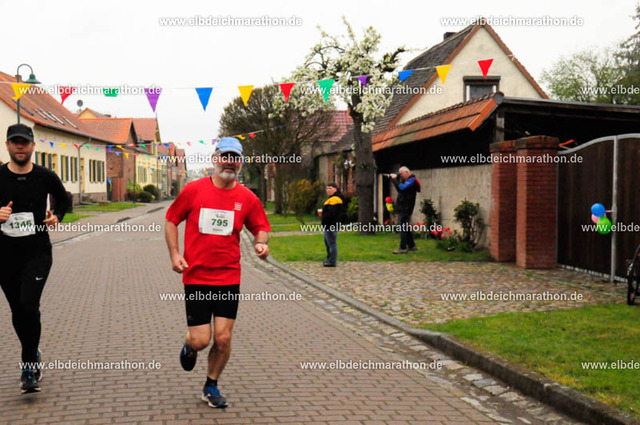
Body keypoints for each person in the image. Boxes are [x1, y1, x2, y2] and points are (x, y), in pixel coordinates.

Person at [165, 137, 271, 408]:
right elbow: (171, 219)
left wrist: (261, 242)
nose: (230, 163)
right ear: (215, 159)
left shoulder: (247, 198)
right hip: (197, 277)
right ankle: (189, 345)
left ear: (241, 162)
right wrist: (175, 254)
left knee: (223, 338)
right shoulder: (194, 190)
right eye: (226, 156)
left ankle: (211, 385)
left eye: (236, 158)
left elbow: (261, 226)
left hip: (228, 277)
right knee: (202, 340)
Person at [0, 123, 71, 394]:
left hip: (37, 253)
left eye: (24, 142)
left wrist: (57, 216)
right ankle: (33, 352)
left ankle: (28, 366)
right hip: (4, 256)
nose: (19, 146)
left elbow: (64, 200)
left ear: (32, 146)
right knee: (18, 311)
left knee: (29, 305)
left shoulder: (45, 176)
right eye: (15, 142)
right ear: (7, 145)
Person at [390, 166, 421, 254]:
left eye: (401, 174)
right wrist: (396, 179)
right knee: (405, 227)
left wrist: (394, 179)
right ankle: (411, 245)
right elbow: (401, 188)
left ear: (407, 172)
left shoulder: (412, 181)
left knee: (403, 227)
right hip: (404, 207)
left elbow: (401, 188)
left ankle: (403, 247)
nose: (401, 176)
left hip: (406, 208)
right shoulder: (408, 181)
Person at [321, 182, 344, 267]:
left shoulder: (335, 199)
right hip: (328, 225)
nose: (328, 190)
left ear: (335, 189)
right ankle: (329, 259)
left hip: (331, 225)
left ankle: (332, 261)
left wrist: (325, 219)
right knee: (328, 243)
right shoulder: (331, 199)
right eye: (327, 188)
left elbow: (332, 213)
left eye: (330, 188)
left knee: (331, 243)